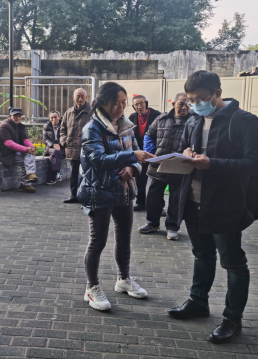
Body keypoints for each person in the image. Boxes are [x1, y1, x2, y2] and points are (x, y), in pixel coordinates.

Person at [167, 71, 258, 344]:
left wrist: (212, 164)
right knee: (202, 254)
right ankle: (198, 302)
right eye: (191, 100)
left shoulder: (244, 121)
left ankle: (233, 319)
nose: (196, 104)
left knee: (233, 263)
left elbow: (255, 165)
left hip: (226, 203)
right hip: (193, 200)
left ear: (218, 93)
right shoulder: (193, 119)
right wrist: (186, 153)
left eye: (202, 98)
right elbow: (186, 146)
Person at [78, 82, 155, 311]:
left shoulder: (126, 125)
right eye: (117, 103)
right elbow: (98, 160)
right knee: (98, 241)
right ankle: (91, 288)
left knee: (124, 238)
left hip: (124, 190)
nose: (122, 107)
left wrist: (133, 168)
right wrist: (131, 157)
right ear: (104, 103)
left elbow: (137, 155)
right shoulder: (92, 128)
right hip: (99, 191)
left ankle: (123, 279)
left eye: (124, 103)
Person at [138, 93, 191, 241]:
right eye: (181, 103)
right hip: (157, 165)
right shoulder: (161, 118)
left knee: (176, 200)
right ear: (173, 104)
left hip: (179, 167)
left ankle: (172, 227)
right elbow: (149, 135)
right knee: (152, 197)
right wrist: (151, 153)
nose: (185, 107)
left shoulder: (193, 121)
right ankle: (152, 223)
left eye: (188, 104)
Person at [128, 95, 161, 211]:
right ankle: (141, 202)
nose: (139, 106)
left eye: (141, 103)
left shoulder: (157, 116)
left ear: (146, 103)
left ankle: (157, 206)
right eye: (136, 104)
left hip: (154, 152)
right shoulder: (132, 117)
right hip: (138, 153)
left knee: (155, 180)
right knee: (140, 178)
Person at [0, 108, 39, 193]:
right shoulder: (4, 126)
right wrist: (26, 149)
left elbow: (25, 139)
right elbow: (9, 143)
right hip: (6, 154)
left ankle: (29, 176)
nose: (17, 118)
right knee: (26, 161)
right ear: (10, 116)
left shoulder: (20, 126)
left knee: (29, 155)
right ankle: (25, 183)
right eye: (15, 116)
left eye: (19, 116)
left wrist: (31, 147)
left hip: (16, 152)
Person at [60, 88, 91, 203]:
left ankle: (85, 197)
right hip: (72, 148)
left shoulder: (92, 112)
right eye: (78, 96)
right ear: (73, 98)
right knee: (73, 174)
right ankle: (74, 195)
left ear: (86, 97)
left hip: (86, 150)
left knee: (86, 175)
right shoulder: (68, 112)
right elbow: (62, 129)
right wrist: (64, 141)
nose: (80, 99)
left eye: (82, 96)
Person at [43, 111, 65, 185]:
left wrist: (60, 145)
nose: (54, 119)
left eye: (55, 117)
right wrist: (53, 145)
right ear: (49, 119)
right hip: (50, 147)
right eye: (52, 118)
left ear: (59, 117)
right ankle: (57, 173)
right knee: (55, 152)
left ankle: (51, 179)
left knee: (53, 156)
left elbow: (65, 137)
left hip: (62, 147)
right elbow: (45, 139)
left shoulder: (64, 125)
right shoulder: (46, 126)